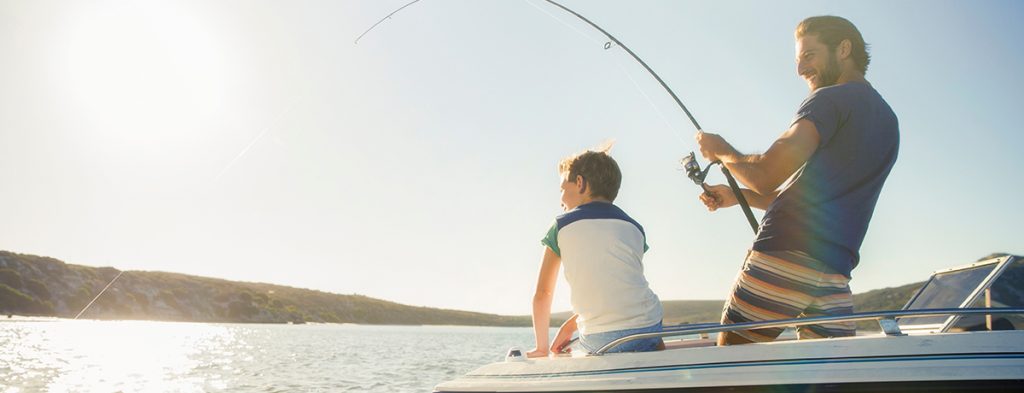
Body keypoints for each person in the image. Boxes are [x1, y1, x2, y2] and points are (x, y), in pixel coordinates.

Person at [695, 15, 899, 345]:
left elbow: (765, 175)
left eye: (809, 55)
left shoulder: (829, 100)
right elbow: (818, 197)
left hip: (784, 255)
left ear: (844, 49)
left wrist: (721, 151)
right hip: (834, 274)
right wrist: (737, 196)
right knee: (824, 380)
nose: (800, 70)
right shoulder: (888, 122)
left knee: (732, 370)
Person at [527, 145, 664, 358]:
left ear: (580, 183)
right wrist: (570, 325)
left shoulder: (561, 226)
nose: (561, 198)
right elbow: (619, 289)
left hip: (600, 338)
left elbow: (543, 294)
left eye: (562, 189)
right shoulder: (635, 227)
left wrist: (541, 348)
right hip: (649, 327)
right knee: (648, 334)